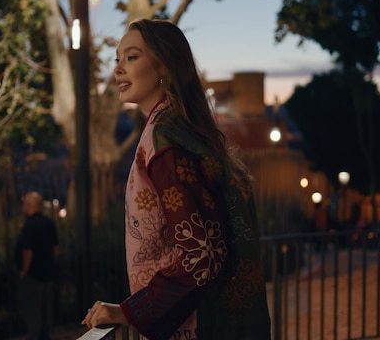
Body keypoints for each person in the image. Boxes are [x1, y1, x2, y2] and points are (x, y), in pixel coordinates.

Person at [81, 18, 271, 339]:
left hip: (197, 326)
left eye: (131, 57)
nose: (118, 69)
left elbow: (202, 254)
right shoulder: (187, 132)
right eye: (117, 59)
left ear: (165, 68)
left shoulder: (166, 140)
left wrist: (129, 311)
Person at [15, 191, 59, 340]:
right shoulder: (49, 223)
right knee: (46, 312)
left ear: (29, 205)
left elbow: (28, 250)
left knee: (33, 312)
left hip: (33, 275)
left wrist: (24, 270)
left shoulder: (29, 226)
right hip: (48, 273)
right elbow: (55, 249)